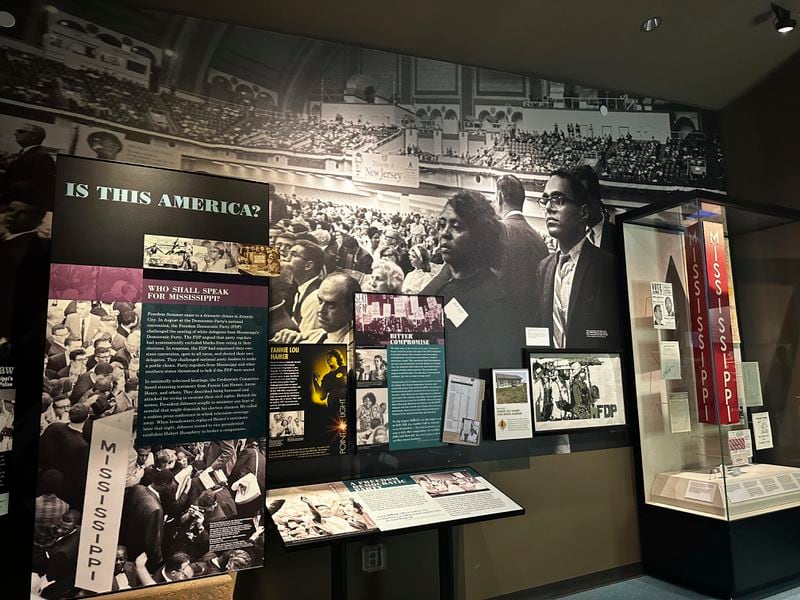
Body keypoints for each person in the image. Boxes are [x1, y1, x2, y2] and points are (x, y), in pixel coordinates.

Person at [421, 191, 525, 376]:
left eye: (457, 226)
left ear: (480, 237)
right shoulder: (437, 286)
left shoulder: (496, 302)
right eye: (442, 224)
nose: (445, 234)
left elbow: (509, 376)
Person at [532, 170, 619, 349]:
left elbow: (610, 335)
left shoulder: (607, 266)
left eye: (558, 199)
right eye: (545, 200)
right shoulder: (544, 267)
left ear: (583, 212)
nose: (549, 207)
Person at [494, 174, 548, 316]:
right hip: (531, 324)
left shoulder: (499, 230)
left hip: (504, 324)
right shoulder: (539, 239)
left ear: (499, 196)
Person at [571, 164, 618, 256]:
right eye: (574, 199)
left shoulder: (619, 237)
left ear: (597, 195)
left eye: (583, 197)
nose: (578, 205)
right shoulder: (569, 237)